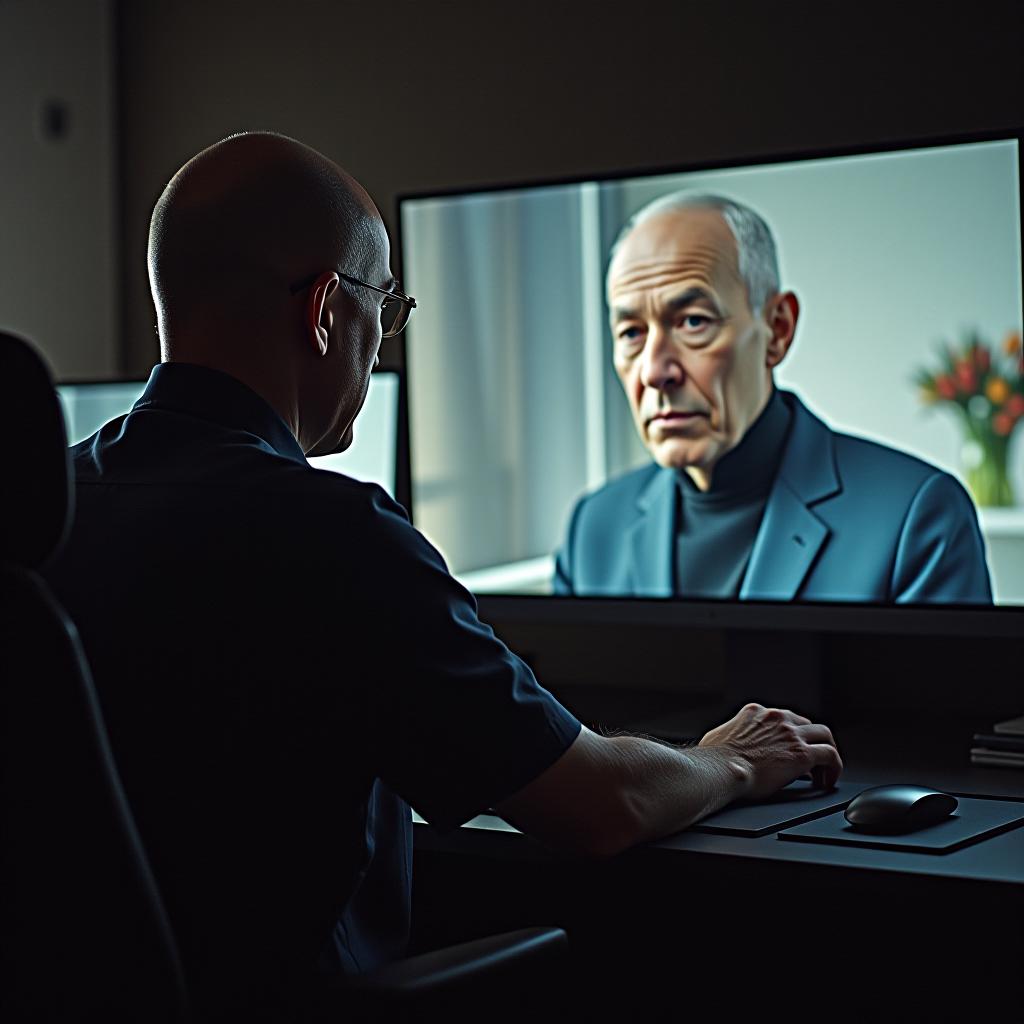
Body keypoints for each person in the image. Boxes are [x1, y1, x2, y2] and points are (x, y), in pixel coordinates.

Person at [44, 134, 843, 1019]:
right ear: (322, 310)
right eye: (382, 311)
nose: (381, 348)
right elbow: (600, 805)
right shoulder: (336, 536)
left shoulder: (41, 511)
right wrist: (730, 760)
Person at [553, 193, 993, 603]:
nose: (654, 371)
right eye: (631, 333)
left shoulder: (916, 519)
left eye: (692, 322)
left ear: (777, 329)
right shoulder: (592, 531)